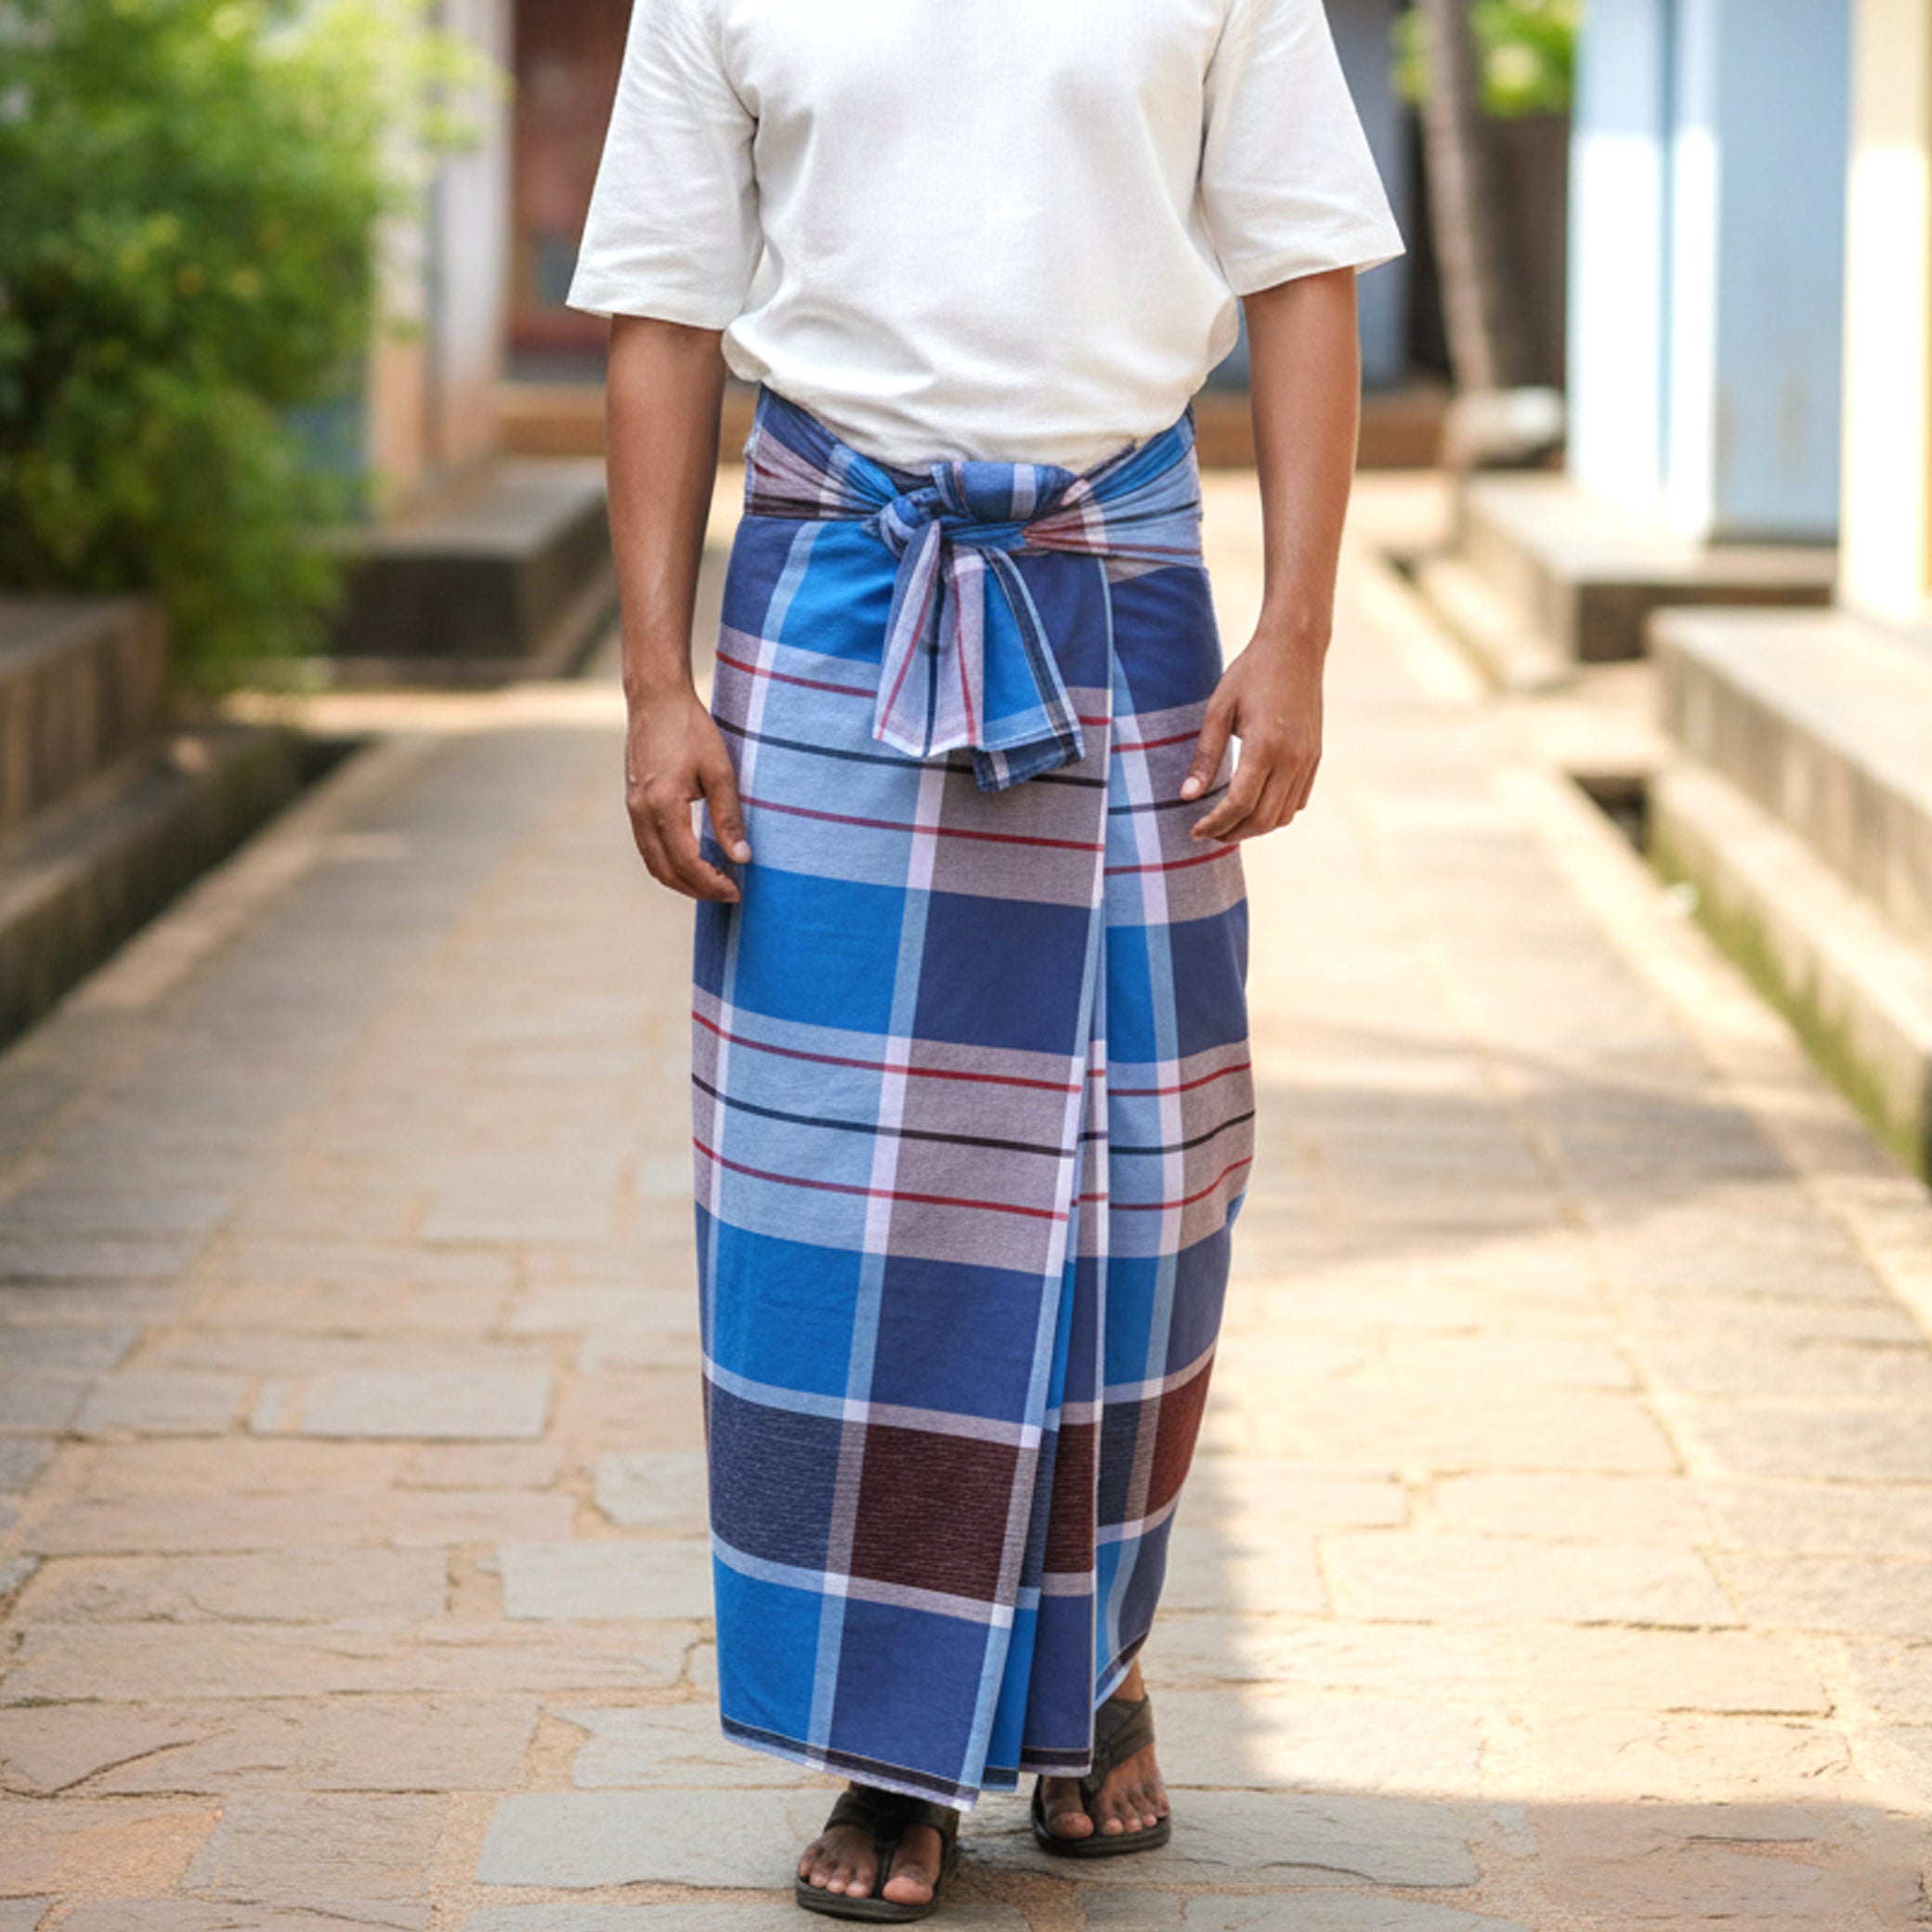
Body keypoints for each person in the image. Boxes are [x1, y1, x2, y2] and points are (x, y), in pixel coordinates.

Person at [568, 1, 1403, 1919]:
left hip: (1121, 587)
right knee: (839, 1203)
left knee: (1146, 1180)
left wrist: (1294, 634)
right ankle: (890, 1745)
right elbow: (662, 312)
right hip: (833, 594)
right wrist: (652, 685)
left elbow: (1299, 269)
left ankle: (1094, 1671)